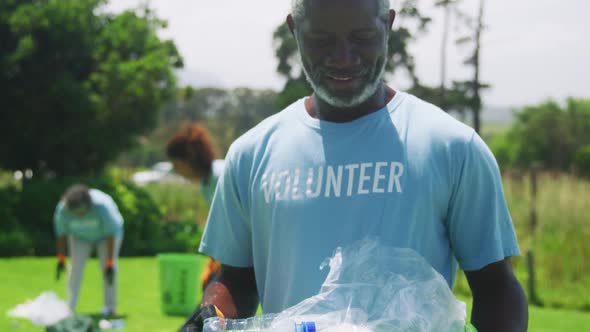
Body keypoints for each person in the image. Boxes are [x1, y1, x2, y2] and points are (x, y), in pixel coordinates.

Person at [181, 0, 529, 331]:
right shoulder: (251, 154)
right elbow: (237, 279)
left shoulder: (453, 148)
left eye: (362, 38)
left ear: (388, 24)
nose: (344, 58)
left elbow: (496, 288)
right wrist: (211, 315)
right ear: (295, 29)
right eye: (321, 39)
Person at [166, 122, 224, 290]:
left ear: (189, 160)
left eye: (177, 165)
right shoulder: (206, 184)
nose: (177, 171)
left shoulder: (220, 174)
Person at [54, 184, 124, 317]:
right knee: (75, 269)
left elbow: (111, 234)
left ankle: (110, 308)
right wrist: (61, 258)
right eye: (76, 213)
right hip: (79, 237)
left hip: (107, 237)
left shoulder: (102, 206)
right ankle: (69, 307)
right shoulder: (62, 209)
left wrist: (109, 263)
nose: (80, 215)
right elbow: (61, 234)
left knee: (109, 271)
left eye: (82, 211)